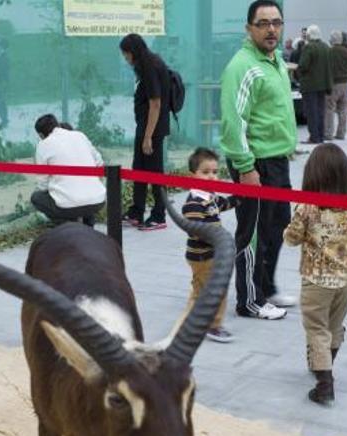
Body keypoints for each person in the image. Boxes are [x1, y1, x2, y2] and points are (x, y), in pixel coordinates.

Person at [220, 0, 297, 321]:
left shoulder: (275, 59)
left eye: (276, 22)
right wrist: (246, 167)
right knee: (252, 232)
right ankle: (249, 300)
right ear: (249, 28)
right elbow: (232, 122)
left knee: (278, 226)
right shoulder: (243, 66)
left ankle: (266, 288)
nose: (271, 29)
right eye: (263, 23)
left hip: (277, 160)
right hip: (255, 163)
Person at [284, 144, 347, 405]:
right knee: (334, 327)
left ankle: (324, 384)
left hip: (316, 282)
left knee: (316, 330)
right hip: (346, 282)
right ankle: (324, 364)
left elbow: (292, 238)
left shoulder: (307, 208)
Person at [182, 148, 240, 343]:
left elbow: (222, 204)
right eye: (205, 172)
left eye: (214, 172)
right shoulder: (193, 202)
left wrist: (238, 198)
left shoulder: (209, 197)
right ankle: (214, 326)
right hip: (202, 255)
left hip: (209, 255)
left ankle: (189, 323)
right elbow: (195, 230)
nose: (211, 176)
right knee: (217, 290)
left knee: (199, 291)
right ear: (193, 175)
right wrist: (218, 238)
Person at [119, 33, 172, 231]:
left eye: (126, 54)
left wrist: (148, 136)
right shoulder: (149, 63)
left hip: (153, 128)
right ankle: (136, 211)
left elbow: (155, 103)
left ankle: (159, 215)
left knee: (155, 172)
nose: (126, 59)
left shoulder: (149, 66)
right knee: (139, 169)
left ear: (133, 52)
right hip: (146, 126)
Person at [31, 114, 105, 226]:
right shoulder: (80, 136)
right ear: (57, 124)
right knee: (84, 192)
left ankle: (68, 225)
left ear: (41, 135)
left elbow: (42, 185)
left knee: (37, 197)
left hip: (68, 205)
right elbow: (99, 162)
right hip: (98, 200)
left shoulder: (43, 145)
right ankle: (88, 226)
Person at [298, 25, 333, 144]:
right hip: (323, 85)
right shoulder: (326, 47)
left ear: (309, 35)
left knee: (311, 112)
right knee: (320, 112)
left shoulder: (309, 48)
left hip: (310, 85)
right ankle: (320, 136)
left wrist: (298, 74)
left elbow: (303, 65)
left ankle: (314, 137)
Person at [325, 30, 347, 140]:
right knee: (343, 109)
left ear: (332, 40)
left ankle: (328, 133)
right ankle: (341, 133)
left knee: (329, 108)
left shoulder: (329, 52)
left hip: (334, 83)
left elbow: (327, 69)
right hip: (346, 83)